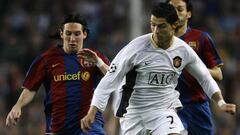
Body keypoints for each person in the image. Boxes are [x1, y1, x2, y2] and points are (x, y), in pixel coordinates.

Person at [81, 3, 236, 135]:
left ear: (174, 25)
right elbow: (110, 80)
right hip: (133, 112)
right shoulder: (135, 48)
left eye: (161, 26)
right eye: (153, 25)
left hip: (163, 110)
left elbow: (205, 77)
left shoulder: (183, 50)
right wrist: (92, 111)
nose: (155, 31)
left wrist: (221, 102)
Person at [5, 13, 110, 135]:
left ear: (84, 34)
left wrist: (99, 62)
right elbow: (30, 88)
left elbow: (113, 77)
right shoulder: (47, 59)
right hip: (57, 127)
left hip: (88, 124)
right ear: (61, 34)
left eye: (77, 34)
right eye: (68, 33)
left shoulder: (95, 57)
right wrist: (18, 106)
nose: (72, 38)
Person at [167, 0, 226, 134]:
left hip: (198, 106)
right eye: (171, 9)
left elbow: (218, 74)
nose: (175, 13)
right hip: (171, 106)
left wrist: (195, 69)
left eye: (180, 9)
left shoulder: (201, 38)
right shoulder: (159, 40)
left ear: (189, 13)